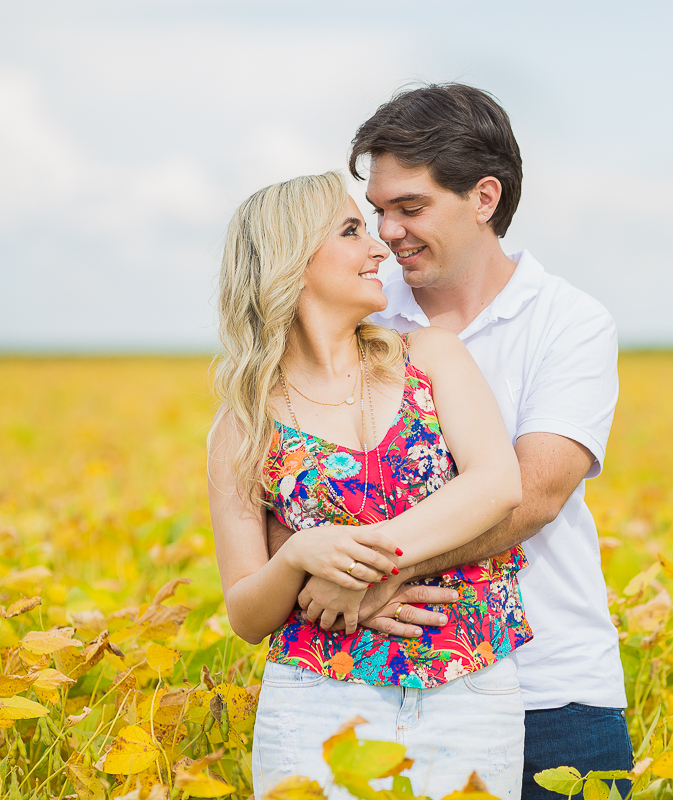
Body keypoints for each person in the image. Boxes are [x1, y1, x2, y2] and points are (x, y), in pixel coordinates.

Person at [268, 84, 634, 798]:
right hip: (380, 683)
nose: (388, 232)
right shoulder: (363, 312)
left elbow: (532, 496)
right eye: (376, 212)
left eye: (411, 208)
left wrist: (374, 576)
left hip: (554, 687)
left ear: (485, 199)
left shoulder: (570, 323)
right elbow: (287, 491)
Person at [207, 171, 531, 799]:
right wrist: (301, 554)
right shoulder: (244, 421)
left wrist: (357, 565)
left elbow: (497, 485)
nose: (379, 246)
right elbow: (247, 613)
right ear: (291, 259)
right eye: (352, 230)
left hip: (470, 684)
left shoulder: (432, 356)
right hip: (316, 700)